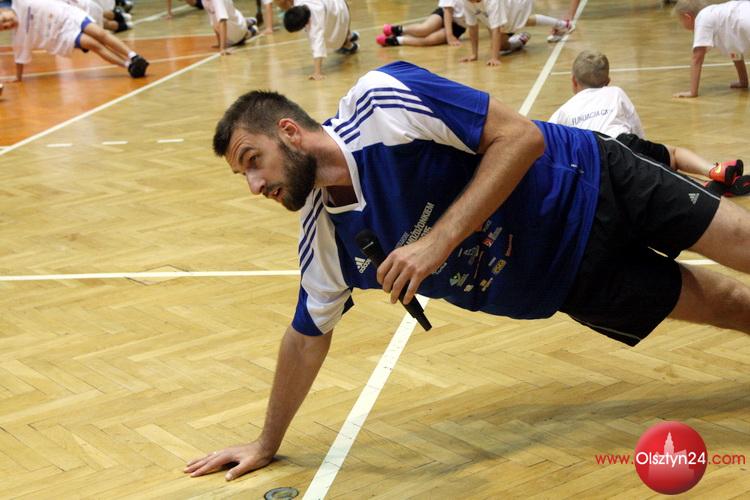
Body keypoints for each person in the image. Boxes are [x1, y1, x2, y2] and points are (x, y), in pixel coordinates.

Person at [184, 61, 750, 481]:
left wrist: (436, 242)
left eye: (253, 161)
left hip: (591, 179)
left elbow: (521, 136)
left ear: (288, 132)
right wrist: (266, 442)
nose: (254, 185)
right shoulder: (325, 237)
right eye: (243, 176)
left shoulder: (380, 104)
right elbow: (305, 340)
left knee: (743, 242)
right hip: (567, 281)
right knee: (723, 305)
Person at [549, 50, 749, 196]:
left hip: (592, 160)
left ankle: (702, 187)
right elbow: (634, 123)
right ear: (608, 81)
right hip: (623, 143)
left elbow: (550, 141)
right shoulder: (614, 92)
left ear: (573, 81)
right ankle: (713, 170)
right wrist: (644, 149)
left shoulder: (564, 110)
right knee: (673, 155)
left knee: (655, 179)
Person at [1, 0, 149, 81]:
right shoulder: (18, 37)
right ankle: (129, 66)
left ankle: (133, 56)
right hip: (61, 35)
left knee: (100, 33)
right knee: (94, 45)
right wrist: (18, 78)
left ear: (2, 11)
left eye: (3, 20)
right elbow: (19, 59)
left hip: (68, 16)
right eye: (4, 27)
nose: (8, 24)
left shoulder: (20, 2)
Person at [673, 0, 750, 98]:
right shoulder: (718, 15)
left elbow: (697, 58)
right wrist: (743, 81)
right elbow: (734, 50)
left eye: (681, 20)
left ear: (688, 17)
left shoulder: (702, 19)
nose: (681, 24)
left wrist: (692, 92)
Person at [462, 0, 574, 66]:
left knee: (522, 21)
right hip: (507, 9)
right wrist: (474, 54)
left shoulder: (493, 2)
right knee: (501, 44)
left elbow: (496, 29)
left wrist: (495, 58)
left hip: (518, 4)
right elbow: (472, 27)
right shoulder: (465, 2)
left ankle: (563, 24)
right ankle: (521, 39)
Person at [282, 0, 358, 80]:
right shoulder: (298, 2)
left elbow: (318, 48)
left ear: (305, 24)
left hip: (341, 12)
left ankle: (349, 44)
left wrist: (317, 73)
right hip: (340, 3)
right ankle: (350, 35)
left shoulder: (315, 24)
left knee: (336, 38)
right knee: (338, 29)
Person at [376, 0, 467, 48]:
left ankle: (397, 40)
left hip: (458, 26)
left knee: (429, 40)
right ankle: (397, 30)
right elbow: (448, 11)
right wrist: (449, 35)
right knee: (424, 29)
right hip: (444, 14)